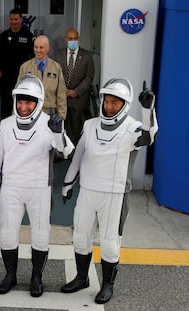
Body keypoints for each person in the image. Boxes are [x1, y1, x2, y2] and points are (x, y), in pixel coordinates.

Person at [60, 79, 158, 304]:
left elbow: (149, 137)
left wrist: (148, 109)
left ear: (125, 104)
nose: (110, 106)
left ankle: (107, 285)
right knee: (81, 237)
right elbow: (79, 156)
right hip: (88, 190)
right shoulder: (90, 125)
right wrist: (67, 183)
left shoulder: (133, 127)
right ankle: (82, 277)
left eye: (116, 102)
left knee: (110, 242)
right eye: (107, 101)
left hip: (115, 194)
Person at [0, 75, 74, 297]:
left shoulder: (49, 123)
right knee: (8, 234)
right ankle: (10, 275)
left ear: (38, 103)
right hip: (11, 187)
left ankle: (37, 276)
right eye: (20, 101)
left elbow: (66, 151)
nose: (23, 106)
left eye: (28, 102)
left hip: (39, 188)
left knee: (40, 234)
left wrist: (58, 132)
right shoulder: (6, 124)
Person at [55, 28, 94, 145]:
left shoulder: (87, 56)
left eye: (75, 38)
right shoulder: (58, 55)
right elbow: (54, 75)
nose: (73, 40)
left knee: (76, 126)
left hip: (78, 98)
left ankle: (74, 150)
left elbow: (89, 77)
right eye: (70, 38)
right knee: (60, 125)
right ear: (66, 39)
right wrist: (62, 90)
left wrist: (76, 91)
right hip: (61, 97)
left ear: (79, 39)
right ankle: (60, 150)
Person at [0, 8, 34, 119]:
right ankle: (4, 129)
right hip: (6, 77)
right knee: (6, 105)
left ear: (21, 19)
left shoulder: (28, 36)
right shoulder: (3, 36)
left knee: (22, 103)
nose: (13, 21)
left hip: (23, 76)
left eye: (16, 19)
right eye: (11, 19)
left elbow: (33, 56)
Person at [18, 35, 67, 119]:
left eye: (41, 47)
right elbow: (19, 93)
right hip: (29, 113)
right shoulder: (25, 67)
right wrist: (16, 115)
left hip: (49, 113)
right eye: (36, 47)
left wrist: (61, 115)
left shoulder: (56, 67)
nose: (38, 50)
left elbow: (61, 94)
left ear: (48, 48)